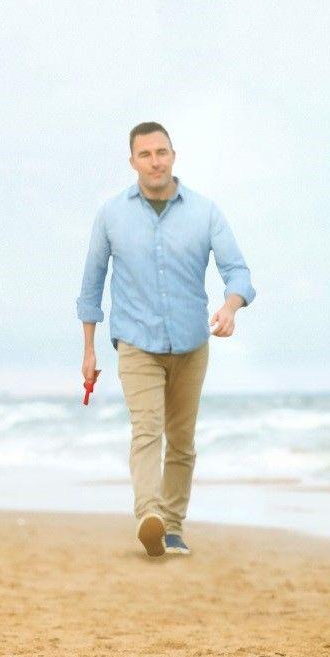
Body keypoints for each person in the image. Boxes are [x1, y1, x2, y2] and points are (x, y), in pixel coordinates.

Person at [77, 122, 256, 558]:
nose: (155, 161)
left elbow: (238, 272)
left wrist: (230, 307)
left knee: (181, 439)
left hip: (192, 343)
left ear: (174, 155)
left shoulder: (205, 212)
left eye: (161, 152)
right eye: (145, 154)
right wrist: (88, 349)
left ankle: (172, 528)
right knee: (147, 429)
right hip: (136, 342)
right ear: (132, 161)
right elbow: (91, 285)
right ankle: (149, 517)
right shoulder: (112, 214)